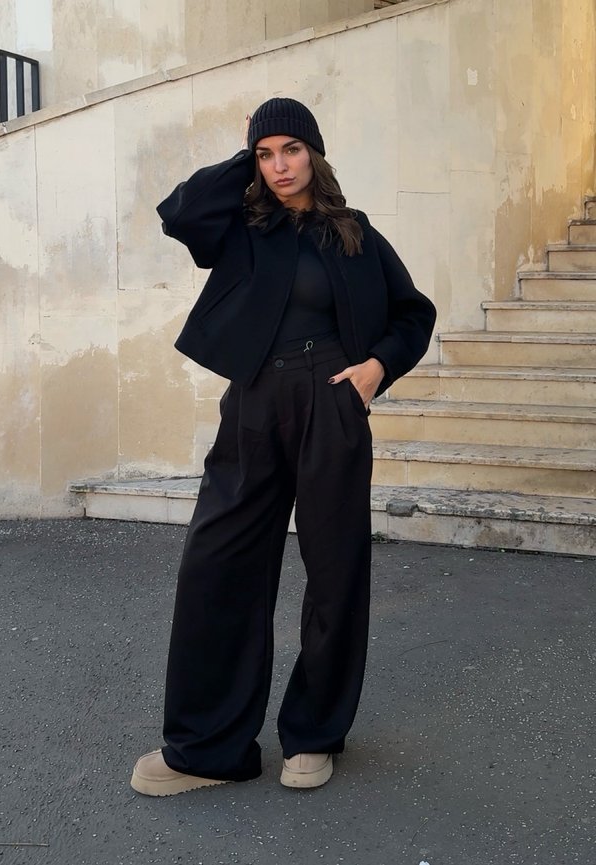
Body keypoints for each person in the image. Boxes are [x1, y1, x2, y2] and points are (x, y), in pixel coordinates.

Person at [130, 97, 436, 796]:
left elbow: (413, 312)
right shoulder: (243, 226)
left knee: (335, 571)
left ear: (315, 153)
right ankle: (208, 747)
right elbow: (180, 212)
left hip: (330, 402)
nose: (279, 166)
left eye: (290, 150)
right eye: (266, 154)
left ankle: (314, 734)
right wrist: (246, 158)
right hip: (254, 403)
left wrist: (374, 370)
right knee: (218, 563)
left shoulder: (353, 234)